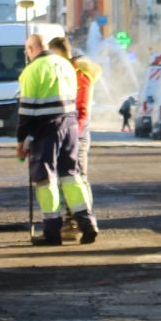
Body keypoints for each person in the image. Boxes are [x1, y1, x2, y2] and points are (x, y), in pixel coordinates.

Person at [15, 33, 96, 245]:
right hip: (69, 126)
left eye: (27, 51)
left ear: (31, 49)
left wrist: (21, 140)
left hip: (46, 129)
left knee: (45, 179)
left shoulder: (31, 71)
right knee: (72, 175)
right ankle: (87, 224)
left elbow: (26, 112)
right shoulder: (66, 65)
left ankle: (52, 232)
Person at [50, 36, 100, 202]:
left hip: (76, 134)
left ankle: (82, 219)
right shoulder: (63, 73)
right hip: (65, 133)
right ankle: (71, 218)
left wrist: (73, 135)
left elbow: (82, 109)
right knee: (66, 179)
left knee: (78, 178)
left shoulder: (79, 73)